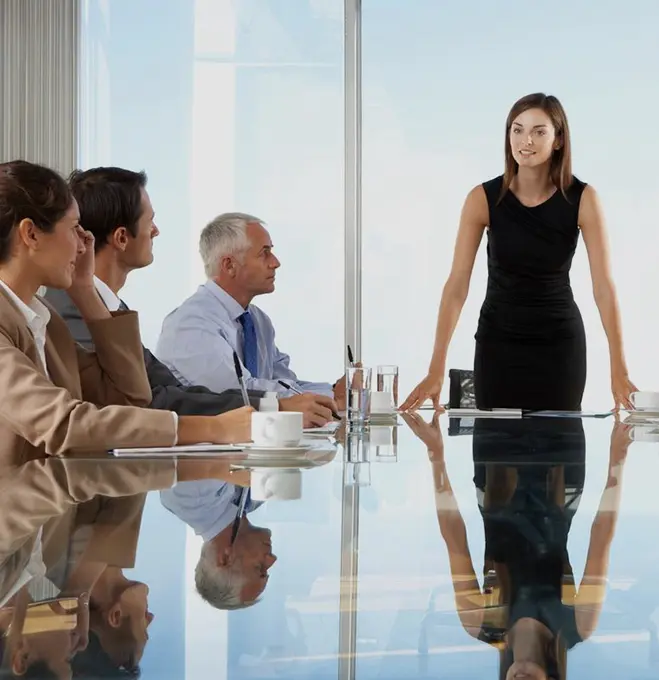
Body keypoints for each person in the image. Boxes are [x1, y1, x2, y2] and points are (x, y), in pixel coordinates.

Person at [0, 160, 252, 469]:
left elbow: (130, 399)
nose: (84, 244)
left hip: (51, 512)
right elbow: (64, 425)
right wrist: (214, 428)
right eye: (74, 228)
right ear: (31, 234)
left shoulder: (46, 323)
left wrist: (85, 294)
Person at [44, 167, 334, 428]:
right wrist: (274, 408)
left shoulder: (112, 307)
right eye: (150, 222)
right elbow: (146, 402)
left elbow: (170, 390)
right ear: (121, 238)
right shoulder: (72, 309)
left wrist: (285, 405)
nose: (156, 231)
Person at [402, 93, 637, 413]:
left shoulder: (583, 199)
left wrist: (619, 371)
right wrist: (435, 369)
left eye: (539, 131)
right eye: (517, 129)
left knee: (560, 451)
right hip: (498, 345)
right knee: (496, 452)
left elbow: (604, 289)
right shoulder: (481, 198)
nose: (526, 140)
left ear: (558, 140)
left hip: (560, 347)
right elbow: (456, 286)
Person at [155, 212, 347, 410]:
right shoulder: (191, 324)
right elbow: (242, 395)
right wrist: (333, 397)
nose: (275, 262)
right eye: (264, 252)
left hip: (252, 436)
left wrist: (337, 393)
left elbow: (286, 384)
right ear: (229, 265)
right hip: (210, 439)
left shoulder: (257, 320)